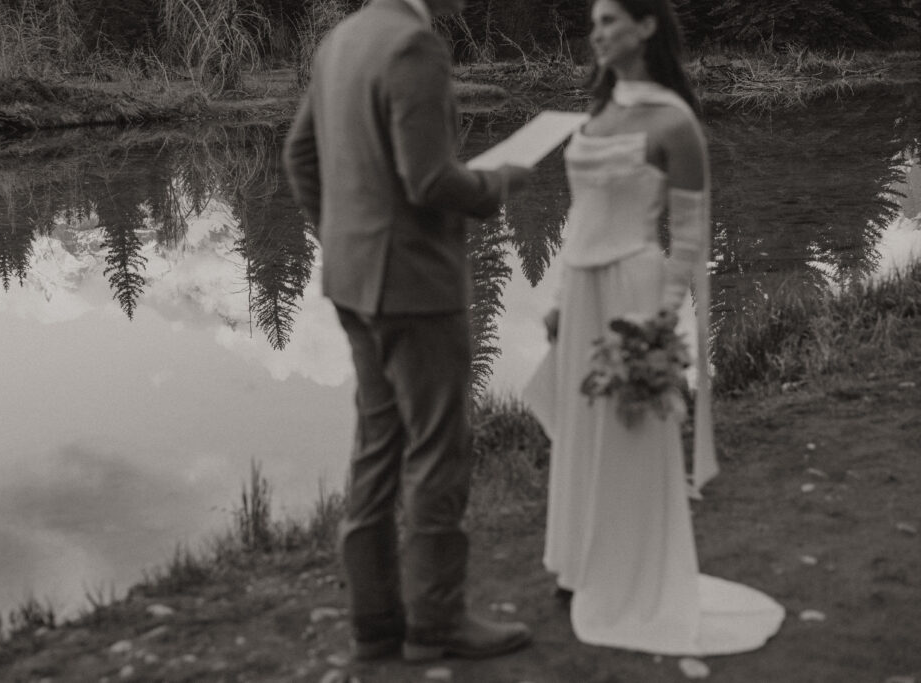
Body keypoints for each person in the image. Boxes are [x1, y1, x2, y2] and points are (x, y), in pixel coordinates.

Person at [525, 0, 785, 656]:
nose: (597, 32)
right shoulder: (598, 111)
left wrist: (659, 323)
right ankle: (581, 567)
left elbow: (690, 239)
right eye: (594, 22)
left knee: (631, 432)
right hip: (583, 291)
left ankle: (635, 575)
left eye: (610, 20)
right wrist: (559, 297)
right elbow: (582, 215)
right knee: (582, 428)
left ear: (645, 27)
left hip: (632, 292)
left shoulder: (675, 123)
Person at [283, 0, 533, 663]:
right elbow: (428, 180)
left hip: (354, 282)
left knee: (378, 443)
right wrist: (497, 183)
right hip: (415, 287)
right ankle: (436, 623)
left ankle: (374, 624)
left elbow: (299, 155)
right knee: (438, 447)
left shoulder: (341, 40)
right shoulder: (413, 45)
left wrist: (342, 237)